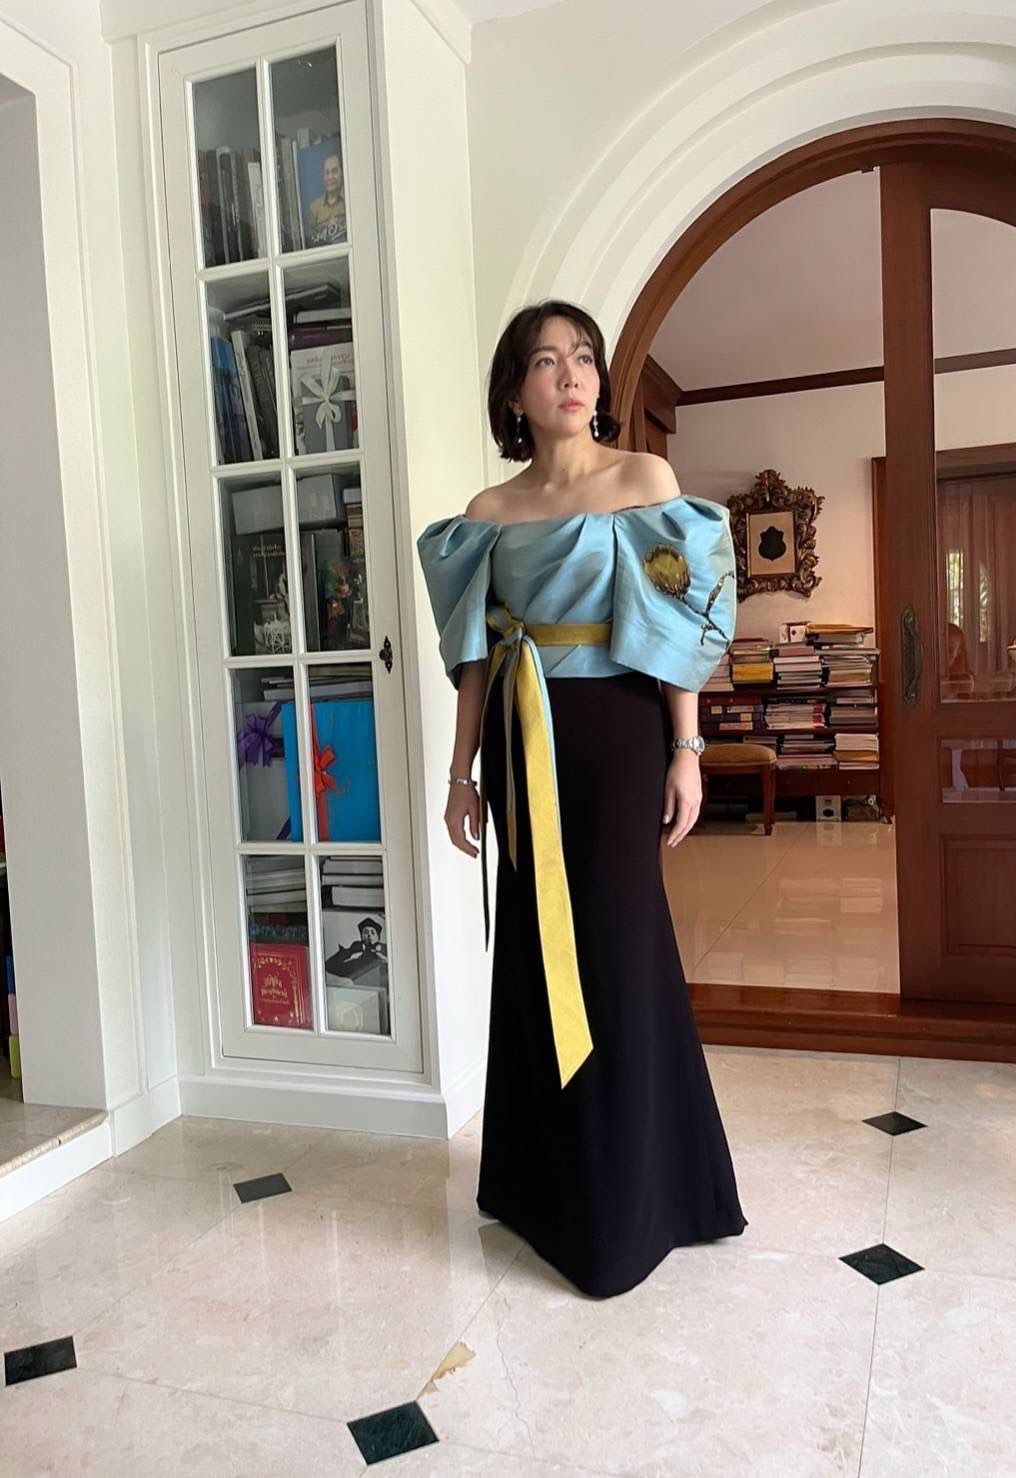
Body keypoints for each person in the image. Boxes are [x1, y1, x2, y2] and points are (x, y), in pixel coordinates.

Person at [416, 300, 746, 1299]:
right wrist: (462, 773)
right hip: (520, 738)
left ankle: (639, 1200)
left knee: (613, 946)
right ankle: (536, 1182)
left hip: (616, 733)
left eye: (584, 358)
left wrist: (686, 748)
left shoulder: (642, 481)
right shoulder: (488, 511)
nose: (570, 375)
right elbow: (475, 659)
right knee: (532, 946)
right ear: (514, 390)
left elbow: (680, 626)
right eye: (545, 360)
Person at [306, 151, 346, 247]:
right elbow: (311, 243)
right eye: (327, 173)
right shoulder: (314, 208)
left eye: (334, 171)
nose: (330, 177)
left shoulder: (350, 202)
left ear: (342, 173)